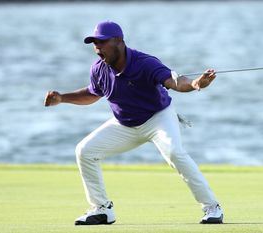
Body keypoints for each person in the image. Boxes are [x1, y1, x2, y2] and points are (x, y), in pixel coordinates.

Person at [44, 21, 223, 225]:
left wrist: (195, 84)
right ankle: (102, 209)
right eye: (94, 44)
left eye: (101, 42)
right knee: (85, 151)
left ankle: (212, 208)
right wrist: (62, 98)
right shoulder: (99, 69)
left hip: (158, 118)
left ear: (119, 41)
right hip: (124, 125)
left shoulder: (145, 63)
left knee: (175, 153)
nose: (97, 49)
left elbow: (175, 81)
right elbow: (92, 94)